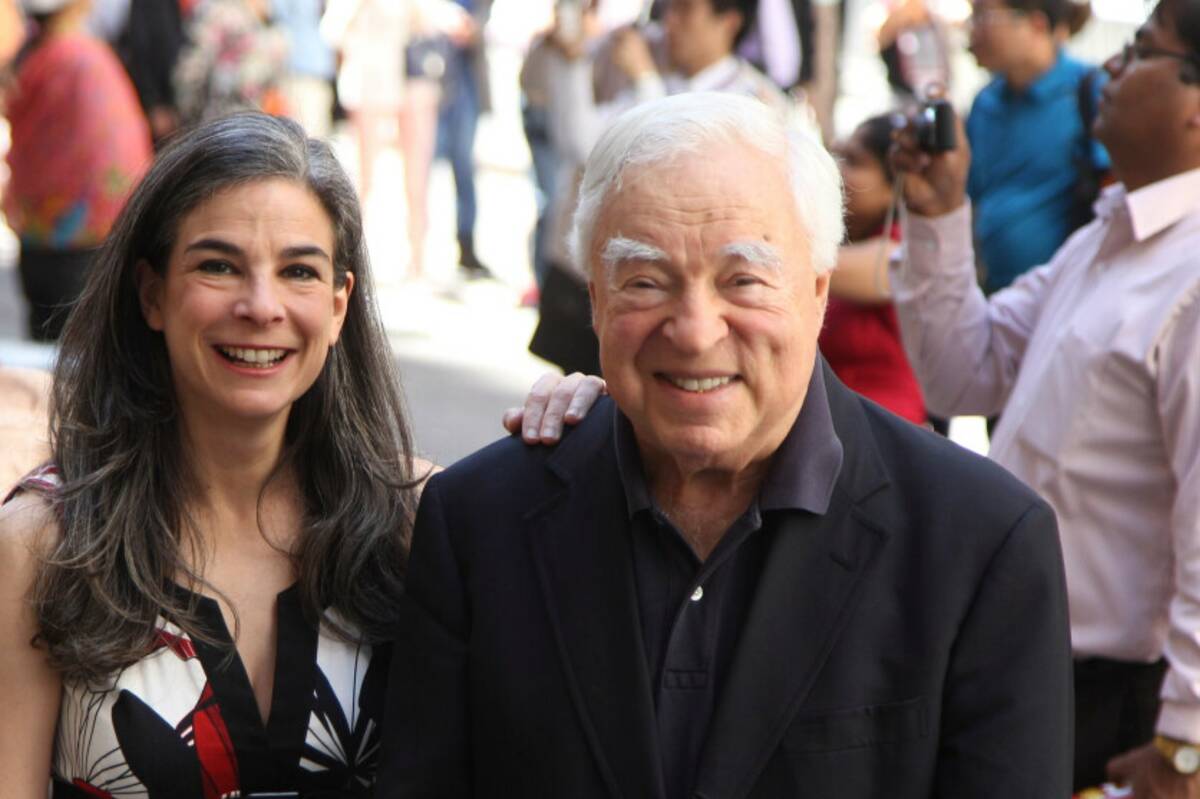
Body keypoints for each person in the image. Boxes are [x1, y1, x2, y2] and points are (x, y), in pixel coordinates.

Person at [378, 92, 1073, 798]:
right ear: (595, 300)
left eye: (743, 280)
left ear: (817, 291)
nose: (696, 329)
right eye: (645, 281)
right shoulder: (478, 522)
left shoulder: (979, 543)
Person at [0, 112, 601, 797]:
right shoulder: (44, 546)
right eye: (218, 265)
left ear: (340, 305)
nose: (262, 305)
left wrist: (599, 423)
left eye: (299, 271)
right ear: (152, 293)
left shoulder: (419, 520)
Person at [889, 0, 1200, 791]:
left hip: (1107, 687)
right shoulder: (1109, 235)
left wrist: (1185, 744)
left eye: (1139, 53)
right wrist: (937, 216)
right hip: (1015, 650)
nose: (1111, 72)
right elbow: (964, 369)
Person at [530, 0, 798, 377]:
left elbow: (674, 169)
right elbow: (581, 145)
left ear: (729, 21)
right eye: (668, 10)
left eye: (685, 11)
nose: (670, 23)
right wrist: (573, 57)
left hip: (686, 293)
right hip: (614, 276)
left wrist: (645, 82)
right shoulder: (649, 66)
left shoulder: (755, 101)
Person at [4, 0, 153, 341]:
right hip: (89, 232)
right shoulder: (81, 57)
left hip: (48, 230)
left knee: (52, 336)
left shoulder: (45, 59)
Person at [965, 0, 1110, 292]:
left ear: (1035, 24)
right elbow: (972, 197)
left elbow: (1112, 190)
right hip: (993, 292)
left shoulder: (1089, 91)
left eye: (984, 17)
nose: (973, 32)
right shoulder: (984, 103)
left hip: (1062, 293)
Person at [821, 112, 926, 425]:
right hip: (837, 427)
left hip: (886, 431)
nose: (838, 171)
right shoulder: (853, 243)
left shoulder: (903, 253)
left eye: (854, 161)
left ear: (895, 186)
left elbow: (804, 263)